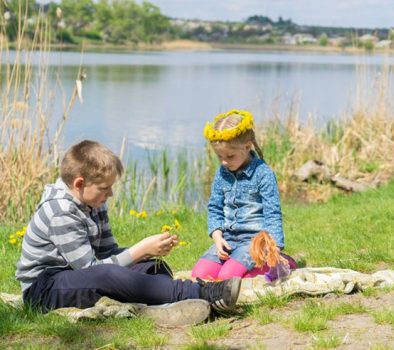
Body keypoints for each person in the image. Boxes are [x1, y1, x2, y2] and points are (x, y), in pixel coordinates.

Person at [16, 140, 241, 324]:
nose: (111, 194)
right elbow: (92, 270)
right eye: (105, 188)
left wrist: (144, 255)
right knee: (109, 274)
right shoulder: (61, 212)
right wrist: (140, 249)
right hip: (44, 288)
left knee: (153, 266)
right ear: (79, 183)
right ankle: (204, 293)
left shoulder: (94, 202)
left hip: (77, 275)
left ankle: (159, 308)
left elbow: (108, 251)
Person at [192, 109, 297, 281]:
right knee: (200, 275)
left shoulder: (263, 173)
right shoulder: (222, 173)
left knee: (227, 277)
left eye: (230, 156)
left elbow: (272, 213)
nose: (224, 162)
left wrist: (275, 247)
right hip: (228, 240)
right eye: (219, 157)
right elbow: (215, 208)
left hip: (254, 242)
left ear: (247, 147)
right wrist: (217, 237)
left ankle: (280, 263)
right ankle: (240, 265)